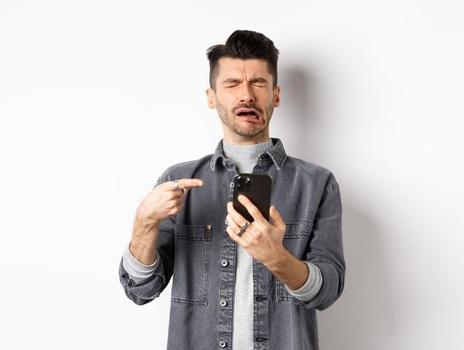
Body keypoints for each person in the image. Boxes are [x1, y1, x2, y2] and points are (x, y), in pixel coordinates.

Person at [119, 30, 345, 350]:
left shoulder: (317, 184)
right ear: (212, 97)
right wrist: (144, 222)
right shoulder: (179, 180)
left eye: (258, 83)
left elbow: (328, 290)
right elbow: (141, 291)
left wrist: (277, 258)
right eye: (232, 84)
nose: (247, 95)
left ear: (275, 95)